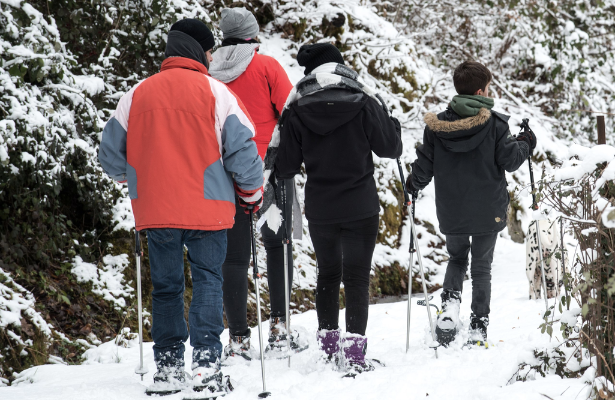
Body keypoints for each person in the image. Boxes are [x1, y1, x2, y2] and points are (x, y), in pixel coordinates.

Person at [97, 19, 263, 397]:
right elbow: (243, 153)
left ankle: (169, 369)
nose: (210, 58)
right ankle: (206, 365)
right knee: (208, 280)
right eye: (208, 51)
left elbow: (109, 157)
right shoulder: (216, 93)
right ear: (198, 51)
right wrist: (252, 194)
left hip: (156, 211)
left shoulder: (136, 94)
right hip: (209, 209)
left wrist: (138, 179)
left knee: (167, 288)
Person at [272, 43, 401, 375]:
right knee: (357, 278)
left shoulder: (297, 108)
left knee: (327, 274)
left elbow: (285, 167)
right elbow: (390, 148)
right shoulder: (364, 101)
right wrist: (393, 125)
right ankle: (355, 355)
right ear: (340, 68)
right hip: (360, 205)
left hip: (321, 207)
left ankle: (328, 349)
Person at [405, 61, 535, 347]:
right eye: (488, 87)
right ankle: (478, 325)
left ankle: (450, 307)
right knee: (481, 267)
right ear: (480, 90)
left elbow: (424, 169)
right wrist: (526, 141)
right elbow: (511, 161)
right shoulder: (497, 125)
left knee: (456, 258)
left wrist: (411, 184)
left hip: (452, 210)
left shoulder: (437, 127)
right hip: (488, 210)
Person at [209, 7, 304, 362]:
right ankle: (279, 330)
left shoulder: (208, 71)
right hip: (271, 171)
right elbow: (291, 115)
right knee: (277, 245)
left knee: (233, 258)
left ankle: (237, 339)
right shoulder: (266, 67)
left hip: (223, 175)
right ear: (252, 34)